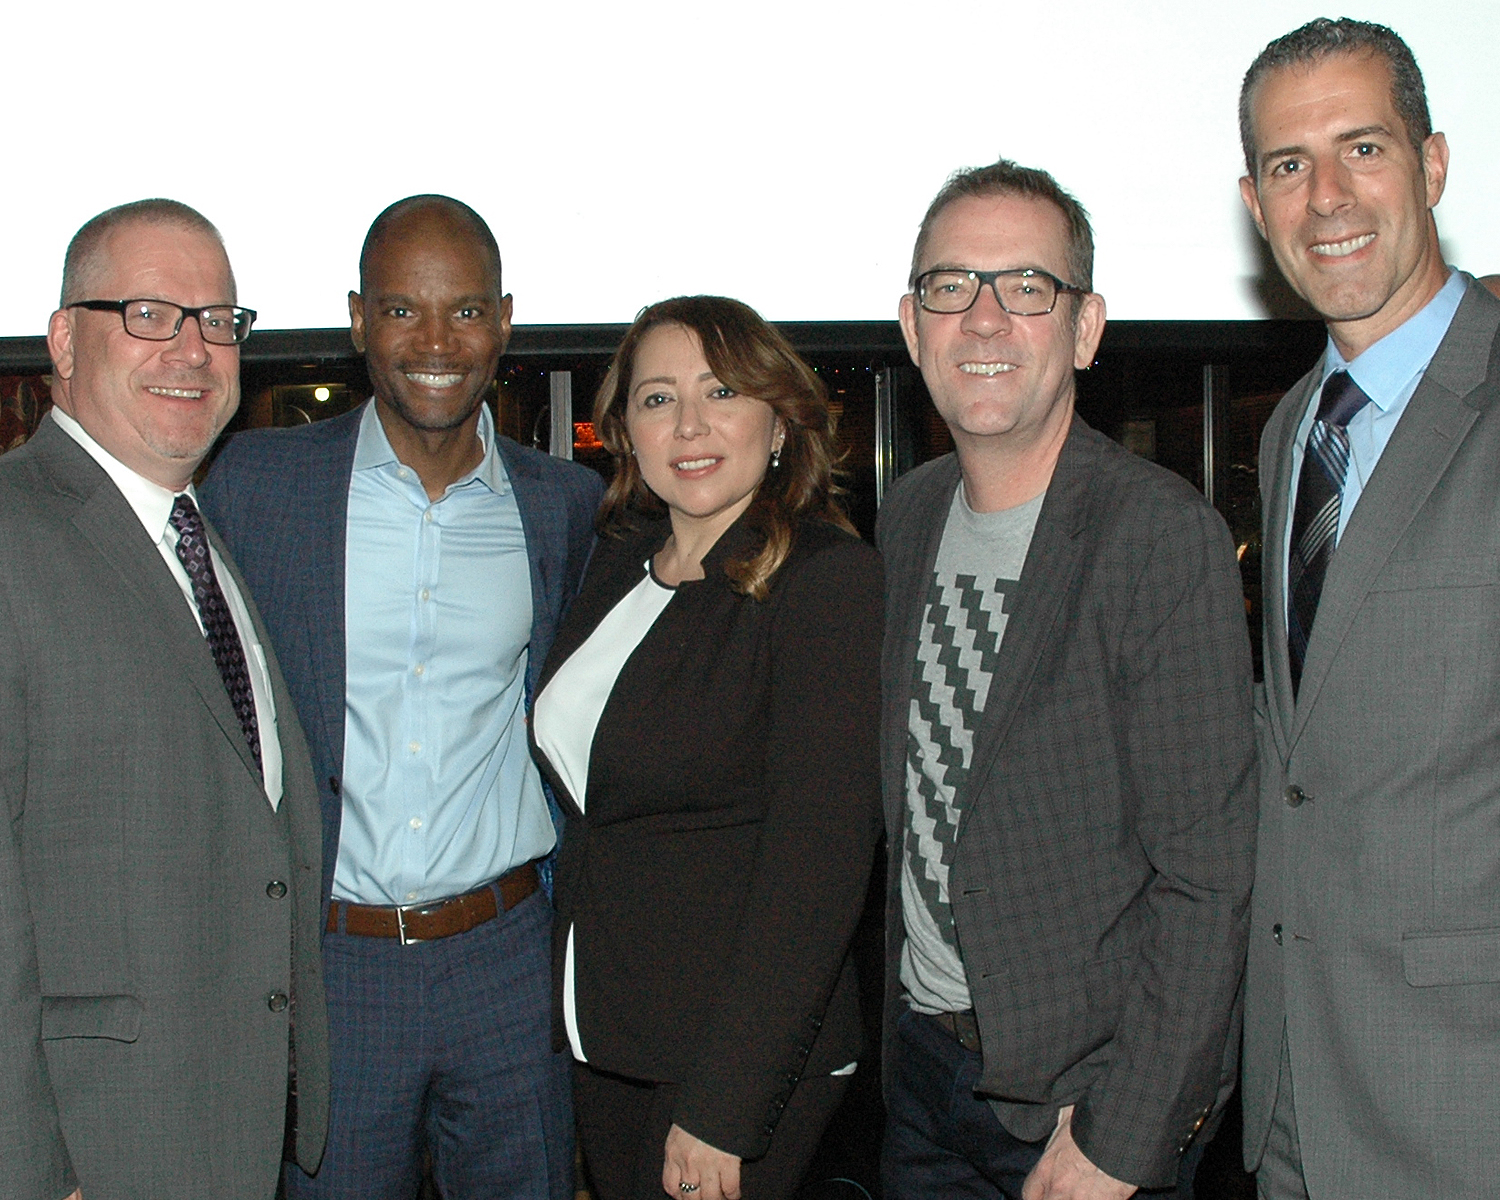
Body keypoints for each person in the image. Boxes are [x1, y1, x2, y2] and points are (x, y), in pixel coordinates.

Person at [199, 194, 601, 1199]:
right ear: (356, 319)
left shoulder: (564, 507)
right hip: (337, 968)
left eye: (464, 311)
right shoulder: (253, 487)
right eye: (401, 310)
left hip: (509, 961)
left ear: (504, 322)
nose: (435, 340)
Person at [878, 161, 1257, 1200]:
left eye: (1027, 288)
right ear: (914, 327)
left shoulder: (1158, 537)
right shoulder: (908, 516)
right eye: (953, 287)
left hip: (1079, 1111)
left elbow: (1210, 881)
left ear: (1085, 329)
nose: (986, 319)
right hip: (924, 1077)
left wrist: (1124, 1136)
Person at [0, 199, 329, 1199]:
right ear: (64, 339)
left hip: (217, 1121)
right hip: (98, 1146)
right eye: (150, 313)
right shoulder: (14, 536)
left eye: (218, 320)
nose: (193, 349)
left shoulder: (189, 533)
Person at [529, 295, 883, 1200]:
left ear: (778, 421)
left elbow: (819, 871)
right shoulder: (618, 562)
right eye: (657, 398)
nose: (689, 424)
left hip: (734, 1062)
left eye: (721, 391)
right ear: (625, 432)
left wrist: (725, 1107)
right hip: (610, 1035)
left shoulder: (824, 580)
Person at [1237, 19, 1500, 1200]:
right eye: (1290, 165)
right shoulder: (1294, 427)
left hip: (1467, 1101)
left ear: (1433, 165)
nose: (1327, 197)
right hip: (1300, 1094)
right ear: (1253, 201)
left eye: (1364, 149)